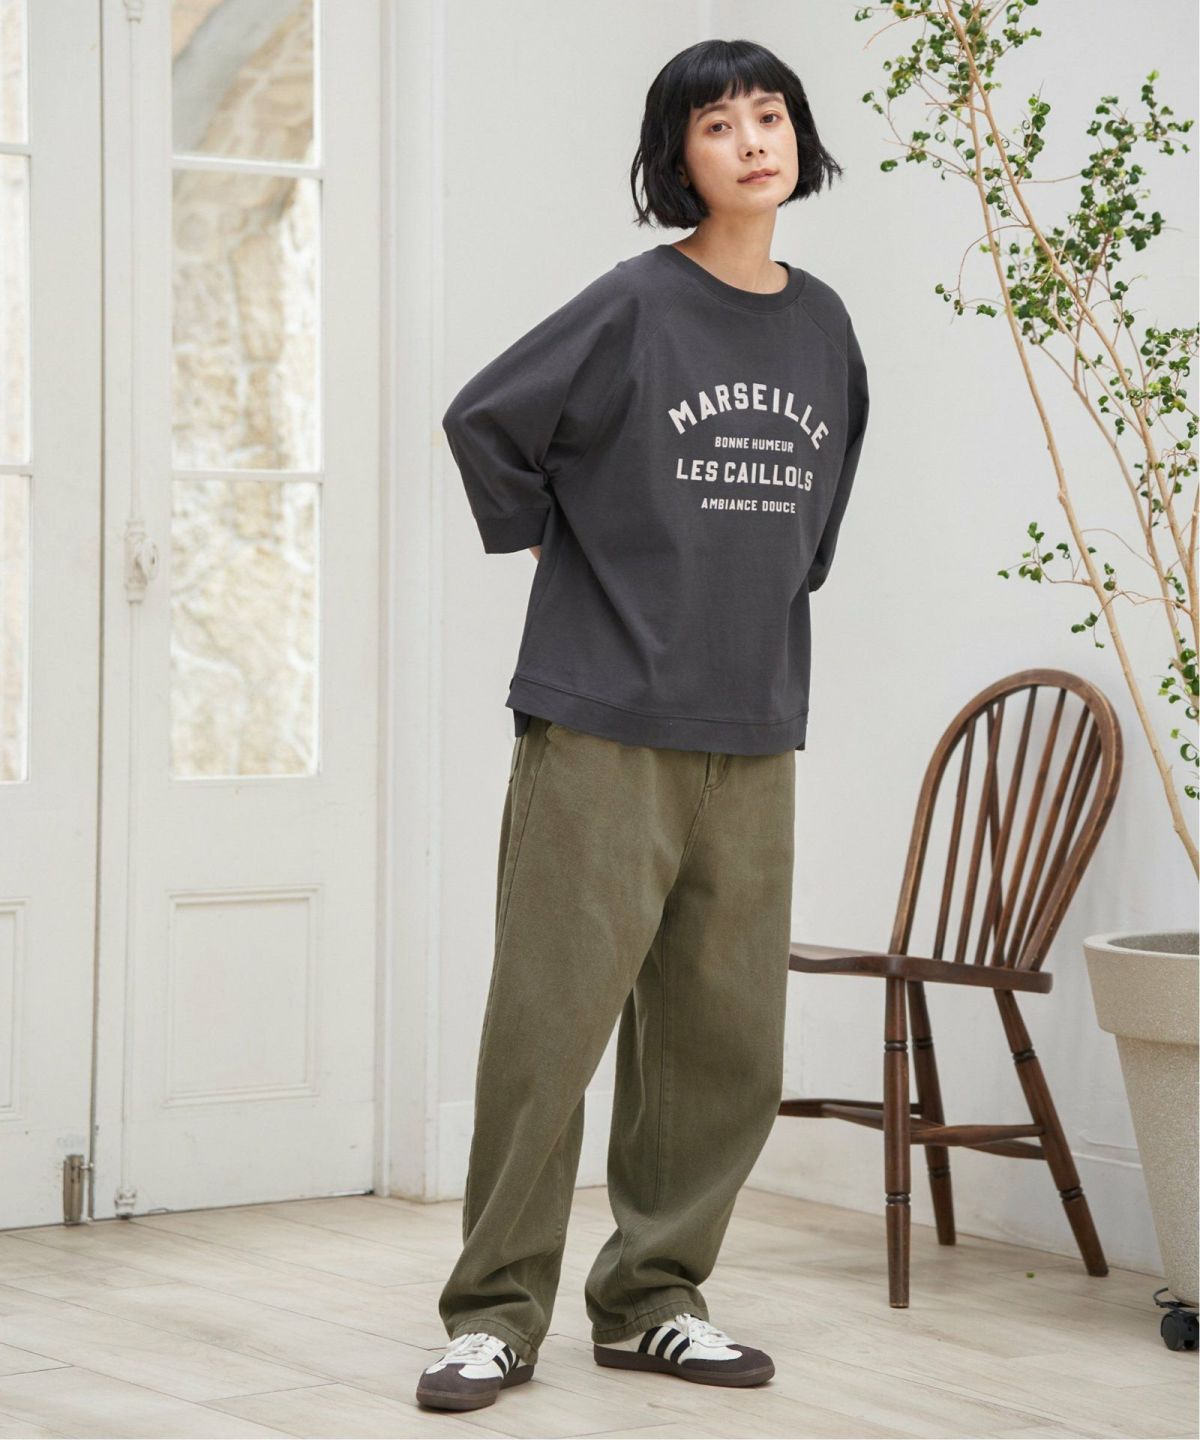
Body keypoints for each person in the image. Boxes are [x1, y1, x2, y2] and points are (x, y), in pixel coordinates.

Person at [416, 36, 870, 1414]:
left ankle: (655, 1297)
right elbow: (486, 419)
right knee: (549, 1029)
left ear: (798, 138)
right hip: (603, 717)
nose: (752, 139)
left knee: (722, 1043)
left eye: (770, 114)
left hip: (755, 719)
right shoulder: (633, 303)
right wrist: (559, 540)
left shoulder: (825, 327)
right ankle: (495, 1316)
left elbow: (822, 507)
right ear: (677, 157)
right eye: (718, 123)